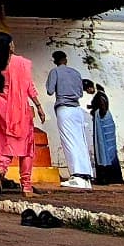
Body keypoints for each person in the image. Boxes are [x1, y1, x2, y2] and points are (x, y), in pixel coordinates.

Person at [0, 32, 44, 195]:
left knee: (8, 142)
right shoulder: (21, 63)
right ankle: (26, 185)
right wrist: (38, 106)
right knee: (26, 148)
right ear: (9, 45)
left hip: (2, 110)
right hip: (19, 110)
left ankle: (1, 170)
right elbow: (29, 87)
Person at [51, 57, 96, 191]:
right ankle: (86, 176)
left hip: (64, 108)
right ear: (66, 60)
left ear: (55, 61)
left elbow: (49, 90)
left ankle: (77, 175)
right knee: (80, 141)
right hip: (77, 109)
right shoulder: (76, 73)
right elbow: (80, 93)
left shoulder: (55, 72)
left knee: (69, 141)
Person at [89, 82, 124, 185]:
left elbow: (102, 109)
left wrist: (94, 112)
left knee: (103, 149)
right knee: (110, 150)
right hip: (107, 122)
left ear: (91, 88)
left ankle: (105, 178)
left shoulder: (99, 96)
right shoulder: (102, 94)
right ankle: (115, 178)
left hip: (103, 123)